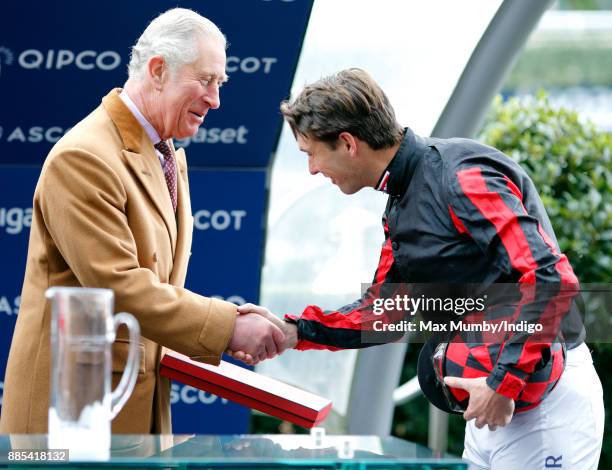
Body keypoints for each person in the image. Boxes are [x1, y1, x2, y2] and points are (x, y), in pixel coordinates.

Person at [234, 68, 604, 468]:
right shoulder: (400, 201)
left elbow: (550, 278)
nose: (311, 169)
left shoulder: (461, 176)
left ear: (347, 143)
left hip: (540, 399)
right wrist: (294, 331)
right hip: (493, 398)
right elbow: (383, 313)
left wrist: (504, 384)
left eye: (310, 153)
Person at [0, 8, 284, 435]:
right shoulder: (84, 157)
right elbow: (119, 286)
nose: (215, 99)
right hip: (68, 423)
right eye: (205, 80)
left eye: (219, 84)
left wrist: (232, 322)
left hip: (126, 411)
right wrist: (228, 327)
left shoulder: (163, 151)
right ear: (157, 70)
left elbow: (154, 288)